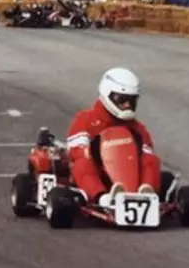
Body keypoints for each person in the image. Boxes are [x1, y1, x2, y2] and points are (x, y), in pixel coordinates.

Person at [65, 67, 159, 206]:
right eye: (122, 100)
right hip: (100, 175)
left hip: (130, 176)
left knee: (150, 159)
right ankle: (102, 198)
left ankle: (145, 194)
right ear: (107, 95)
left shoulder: (137, 128)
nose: (127, 105)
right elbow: (76, 151)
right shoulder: (86, 120)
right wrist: (92, 149)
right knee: (82, 162)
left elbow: (148, 154)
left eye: (131, 101)